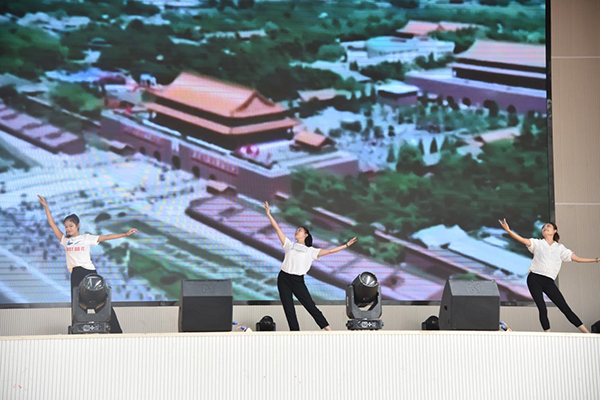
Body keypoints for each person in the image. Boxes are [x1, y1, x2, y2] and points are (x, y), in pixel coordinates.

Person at [38, 195, 137, 333]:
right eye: (66, 227)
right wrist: (46, 207)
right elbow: (52, 224)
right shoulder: (65, 240)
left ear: (77, 225)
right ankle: (78, 332)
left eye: (71, 226)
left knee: (101, 303)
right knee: (78, 306)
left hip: (89, 273)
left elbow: (106, 237)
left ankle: (116, 332)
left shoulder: (86, 238)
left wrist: (125, 234)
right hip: (75, 275)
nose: (68, 229)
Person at [263, 201, 357, 331]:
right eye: (296, 230)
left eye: (300, 230)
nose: (297, 231)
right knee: (288, 307)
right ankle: (295, 333)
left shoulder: (311, 251)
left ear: (305, 235)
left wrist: (346, 245)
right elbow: (277, 228)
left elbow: (329, 251)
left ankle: (328, 329)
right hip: (283, 278)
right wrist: (268, 214)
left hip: (297, 281)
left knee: (310, 306)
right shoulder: (289, 245)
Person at [499, 219, 599, 333]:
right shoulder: (538, 243)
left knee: (565, 308)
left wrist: (596, 260)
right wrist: (508, 230)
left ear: (555, 231)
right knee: (542, 308)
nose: (545, 228)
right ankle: (548, 335)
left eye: (548, 226)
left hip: (548, 281)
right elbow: (522, 239)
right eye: (543, 227)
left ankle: (587, 334)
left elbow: (578, 259)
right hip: (534, 278)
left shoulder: (560, 248)